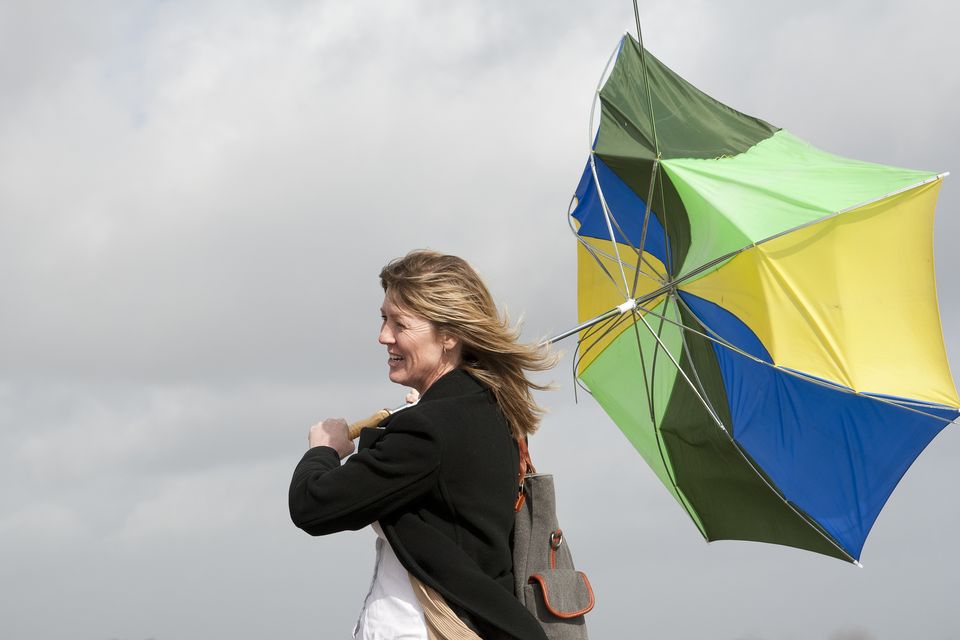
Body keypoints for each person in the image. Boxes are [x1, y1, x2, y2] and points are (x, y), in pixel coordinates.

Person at [289, 250, 556, 640]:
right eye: (384, 318)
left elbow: (313, 505)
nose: (384, 336)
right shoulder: (487, 409)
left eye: (400, 323)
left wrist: (323, 450)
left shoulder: (430, 430)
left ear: (448, 335)